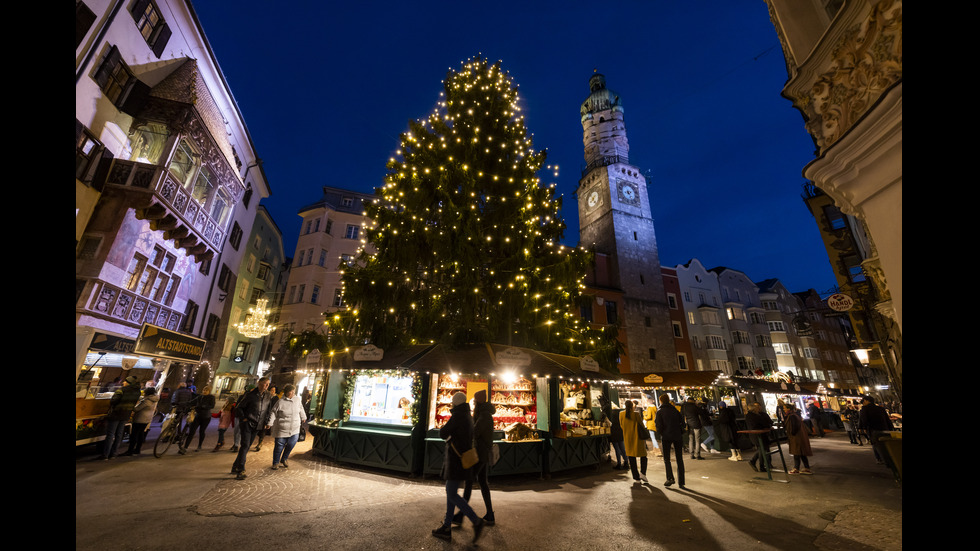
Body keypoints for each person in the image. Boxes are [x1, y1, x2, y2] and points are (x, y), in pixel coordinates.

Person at [432, 392, 485, 544]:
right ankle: (447, 527)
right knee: (451, 492)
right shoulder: (467, 415)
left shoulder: (458, 416)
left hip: (456, 461)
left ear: (455, 403)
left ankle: (475, 520)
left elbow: (443, 432)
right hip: (461, 461)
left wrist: (447, 432)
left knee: (452, 493)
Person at [453, 390, 495, 526]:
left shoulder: (484, 416)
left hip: (480, 454)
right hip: (483, 453)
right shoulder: (485, 414)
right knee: (482, 482)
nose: (474, 404)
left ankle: (460, 515)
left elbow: (475, 432)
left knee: (469, 482)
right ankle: (490, 514)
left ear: (478, 402)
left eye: (475, 401)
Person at [231, 377, 273, 480]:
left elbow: (268, 410)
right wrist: (244, 419)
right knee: (245, 445)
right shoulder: (250, 395)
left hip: (258, 425)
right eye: (264, 384)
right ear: (259, 383)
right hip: (248, 423)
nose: (266, 386)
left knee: (247, 446)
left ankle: (235, 466)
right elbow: (239, 407)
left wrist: (267, 421)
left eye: (268, 384)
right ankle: (241, 470)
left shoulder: (268, 396)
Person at [100, 375, 141, 460]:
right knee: (119, 434)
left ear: (129, 383)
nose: (123, 382)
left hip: (116, 414)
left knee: (110, 434)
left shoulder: (121, 390)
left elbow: (113, 401)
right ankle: (114, 454)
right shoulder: (138, 392)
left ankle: (105, 455)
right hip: (126, 414)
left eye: (125, 381)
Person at [268, 384, 307, 469]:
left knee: (291, 444)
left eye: (293, 391)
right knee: (279, 446)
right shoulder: (280, 402)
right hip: (282, 428)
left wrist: (303, 417)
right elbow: (273, 412)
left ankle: (284, 458)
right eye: (291, 391)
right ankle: (275, 462)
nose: (293, 393)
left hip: (295, 428)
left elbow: (301, 408)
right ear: (286, 392)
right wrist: (270, 423)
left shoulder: (297, 399)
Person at [655, 393, 685, 489]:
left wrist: (661, 433)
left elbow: (658, 426)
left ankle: (670, 478)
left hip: (666, 437)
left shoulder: (660, 412)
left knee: (667, 459)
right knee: (679, 458)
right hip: (677, 436)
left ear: (661, 401)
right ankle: (681, 481)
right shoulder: (675, 410)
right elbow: (683, 424)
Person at [858, 396, 894, 465]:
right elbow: (887, 419)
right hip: (884, 428)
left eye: (864, 400)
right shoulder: (880, 408)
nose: (863, 402)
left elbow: (864, 419)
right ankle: (889, 458)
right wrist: (890, 428)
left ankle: (879, 459)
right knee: (886, 443)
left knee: (875, 444)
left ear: (867, 401)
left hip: (873, 429)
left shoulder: (864, 409)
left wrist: (864, 428)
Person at [122, 387, 158, 456]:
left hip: (140, 419)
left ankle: (130, 450)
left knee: (134, 435)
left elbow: (136, 409)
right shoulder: (153, 400)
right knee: (141, 433)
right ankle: (137, 449)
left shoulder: (146, 401)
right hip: (147, 419)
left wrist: (130, 405)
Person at [181, 385, 216, 453]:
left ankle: (199, 445)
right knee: (191, 431)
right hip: (198, 416)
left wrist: (203, 406)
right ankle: (185, 447)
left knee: (202, 431)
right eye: (204, 390)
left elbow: (212, 406)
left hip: (206, 417)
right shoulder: (200, 397)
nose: (204, 391)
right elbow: (191, 402)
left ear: (209, 391)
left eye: (206, 390)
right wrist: (181, 404)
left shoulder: (211, 397)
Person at [620, 400, 648, 483]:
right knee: (643, 456)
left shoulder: (621, 414)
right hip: (638, 438)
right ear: (632, 406)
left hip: (628, 438)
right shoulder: (636, 414)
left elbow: (622, 426)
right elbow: (641, 426)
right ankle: (643, 473)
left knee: (631, 458)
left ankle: (636, 478)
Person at [783, 404, 813, 474]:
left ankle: (796, 468)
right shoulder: (795, 415)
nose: (784, 409)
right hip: (799, 436)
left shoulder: (791, 416)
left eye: (784, 408)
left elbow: (794, 426)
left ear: (788, 409)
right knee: (802, 452)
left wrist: (791, 433)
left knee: (796, 452)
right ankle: (806, 467)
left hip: (796, 437)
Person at [744, 402, 773, 472]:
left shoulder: (751, 415)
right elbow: (759, 424)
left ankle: (759, 464)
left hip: (757, 435)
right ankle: (759, 465)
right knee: (762, 449)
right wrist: (766, 426)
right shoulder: (754, 416)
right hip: (758, 435)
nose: (758, 409)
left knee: (762, 449)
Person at [254, 385, 279, 452]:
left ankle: (260, 443)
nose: (273, 391)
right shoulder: (266, 396)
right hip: (261, 415)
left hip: (268, 416)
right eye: (272, 390)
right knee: (258, 430)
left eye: (274, 390)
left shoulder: (276, 398)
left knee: (263, 430)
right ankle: (259, 442)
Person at [606, 401, 627, 469]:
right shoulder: (620, 413)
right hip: (620, 433)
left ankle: (619, 463)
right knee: (622, 448)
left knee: (617, 449)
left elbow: (610, 424)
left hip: (614, 433)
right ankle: (626, 462)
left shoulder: (610, 415)